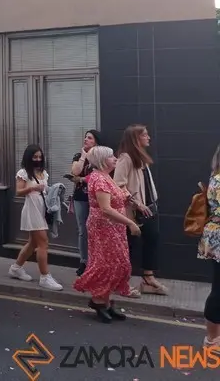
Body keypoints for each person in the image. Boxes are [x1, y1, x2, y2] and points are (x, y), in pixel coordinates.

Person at [73, 146, 141, 323]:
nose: (115, 159)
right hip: (103, 228)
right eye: (111, 157)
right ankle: (98, 301)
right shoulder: (99, 179)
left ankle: (106, 302)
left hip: (114, 228)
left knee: (117, 264)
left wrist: (125, 198)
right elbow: (106, 209)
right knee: (106, 264)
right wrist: (131, 223)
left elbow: (113, 201)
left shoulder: (105, 177)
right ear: (103, 160)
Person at [114, 124, 164, 295]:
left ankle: (148, 278)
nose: (148, 137)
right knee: (130, 246)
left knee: (152, 239)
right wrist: (136, 203)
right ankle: (121, 282)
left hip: (149, 208)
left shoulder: (140, 157)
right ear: (136, 139)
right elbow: (118, 185)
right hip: (135, 211)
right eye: (145, 135)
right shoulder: (125, 158)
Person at [9, 144, 63, 291]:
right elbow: (19, 192)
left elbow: (46, 191)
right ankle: (45, 277)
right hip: (31, 208)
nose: (38, 159)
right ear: (29, 157)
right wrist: (33, 188)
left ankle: (16, 268)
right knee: (43, 243)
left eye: (40, 157)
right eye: (35, 157)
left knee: (33, 243)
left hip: (42, 208)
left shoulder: (43, 173)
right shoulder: (23, 173)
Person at [199, 144, 220, 347]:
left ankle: (214, 336)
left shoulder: (215, 176)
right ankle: (212, 339)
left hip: (214, 234)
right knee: (218, 288)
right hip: (218, 235)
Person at [71, 130, 101, 276]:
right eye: (85, 137)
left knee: (95, 230)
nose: (85, 139)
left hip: (97, 198)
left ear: (96, 141)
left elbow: (99, 174)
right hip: (80, 198)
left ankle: (96, 262)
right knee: (83, 230)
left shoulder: (101, 157)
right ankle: (84, 261)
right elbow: (75, 171)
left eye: (89, 138)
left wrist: (82, 179)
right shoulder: (78, 156)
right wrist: (83, 156)